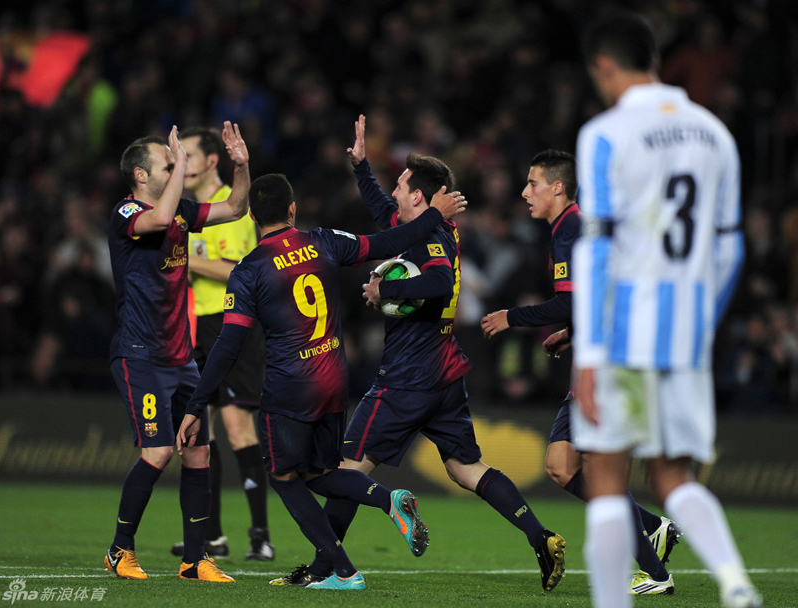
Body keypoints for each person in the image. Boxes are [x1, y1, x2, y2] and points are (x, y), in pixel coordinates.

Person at [284, 115, 566, 592]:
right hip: (442, 373)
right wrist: (361, 168)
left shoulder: (434, 237)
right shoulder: (425, 228)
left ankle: (327, 568)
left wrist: (384, 294)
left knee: (346, 467)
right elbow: (381, 214)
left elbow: (436, 283)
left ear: (418, 196)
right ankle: (541, 538)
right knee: (464, 468)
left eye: (400, 184)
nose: (394, 190)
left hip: (406, 377)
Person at [177, 172, 468, 591]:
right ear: (292, 210)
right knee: (319, 473)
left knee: (282, 477)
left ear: (254, 217)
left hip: (289, 387)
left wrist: (194, 406)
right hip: (334, 378)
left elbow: (227, 347)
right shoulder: (325, 240)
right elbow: (383, 244)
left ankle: (344, 570)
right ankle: (387, 501)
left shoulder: (249, 270)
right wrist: (433, 217)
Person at [572, 13, 761, 608]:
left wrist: (590, 353)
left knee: (605, 482)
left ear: (604, 66)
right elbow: (730, 247)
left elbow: (596, 246)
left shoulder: (606, 134)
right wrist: (700, 321)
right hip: (685, 336)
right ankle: (734, 581)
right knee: (675, 479)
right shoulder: (715, 133)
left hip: (624, 334)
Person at [481, 149, 680, 595]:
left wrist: (511, 316)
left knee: (599, 471)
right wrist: (571, 333)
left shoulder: (571, 229)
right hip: (596, 354)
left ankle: (658, 574)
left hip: (609, 364)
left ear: (557, 187)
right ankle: (653, 527)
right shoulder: (572, 228)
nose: (524, 192)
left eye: (532, 183)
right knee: (560, 465)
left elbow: (572, 299)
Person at [104, 122, 250, 583]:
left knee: (198, 454)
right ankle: (119, 550)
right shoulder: (126, 212)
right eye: (167, 163)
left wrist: (241, 166)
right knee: (158, 452)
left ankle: (194, 558)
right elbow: (161, 220)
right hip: (139, 354)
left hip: (180, 355)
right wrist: (186, 163)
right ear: (141, 176)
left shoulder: (182, 210)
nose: (176, 165)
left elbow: (235, 205)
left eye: (178, 161)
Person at [166, 126, 273, 562]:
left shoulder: (238, 210)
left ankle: (260, 536)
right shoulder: (186, 213)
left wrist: (191, 260)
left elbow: (244, 272)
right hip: (191, 330)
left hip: (235, 327)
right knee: (196, 432)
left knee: (236, 428)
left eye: (187, 156)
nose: (180, 165)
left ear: (211, 161)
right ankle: (212, 536)